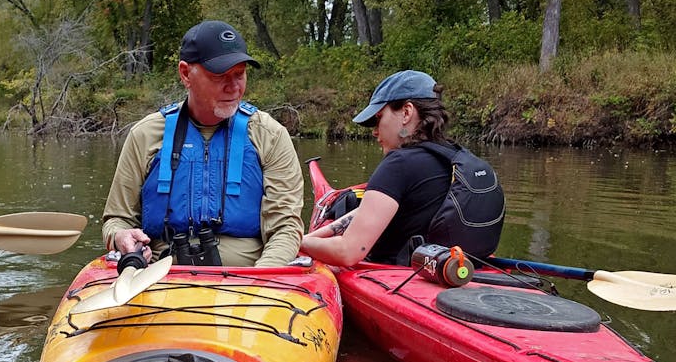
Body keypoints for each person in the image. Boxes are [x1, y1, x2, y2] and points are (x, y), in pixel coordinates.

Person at [101, 20, 303, 267]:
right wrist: (120, 236)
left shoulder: (270, 135)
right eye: (219, 76)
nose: (233, 87)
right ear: (186, 73)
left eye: (239, 74)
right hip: (162, 277)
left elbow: (286, 227)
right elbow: (117, 220)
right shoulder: (145, 135)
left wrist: (257, 283)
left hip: (249, 280)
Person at [300, 70, 505, 266]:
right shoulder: (456, 159)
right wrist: (311, 237)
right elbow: (368, 212)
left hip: (398, 280)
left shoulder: (398, 164)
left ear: (406, 112)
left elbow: (348, 252)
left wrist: (296, 244)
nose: (374, 131)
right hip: (456, 272)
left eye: (378, 118)